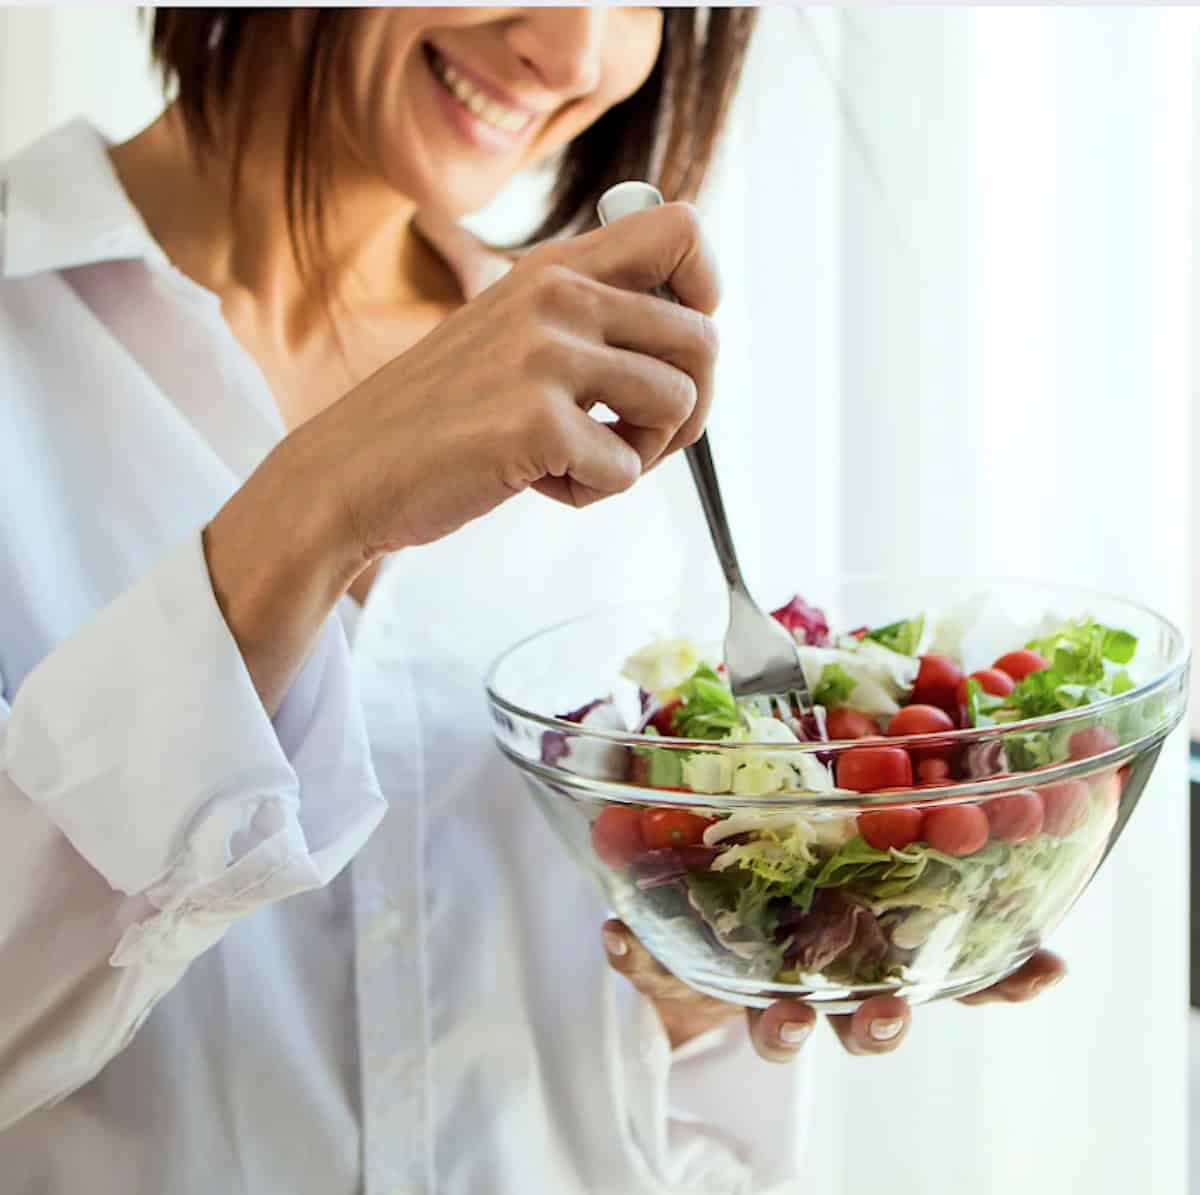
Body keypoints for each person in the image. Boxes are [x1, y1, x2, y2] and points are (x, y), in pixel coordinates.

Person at [0, 8, 1063, 1192]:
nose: (572, 51)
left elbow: (680, 1128)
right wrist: (313, 505)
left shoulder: (607, 403)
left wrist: (704, 972)